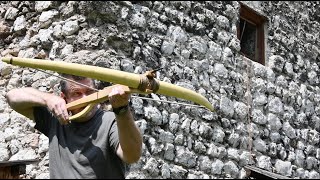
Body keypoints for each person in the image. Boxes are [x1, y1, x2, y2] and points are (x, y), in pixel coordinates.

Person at [5, 74, 143, 179]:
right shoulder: (56, 118)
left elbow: (132, 156)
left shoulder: (110, 120)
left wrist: (122, 110)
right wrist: (48, 99)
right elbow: (12, 97)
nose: (85, 98)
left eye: (89, 92)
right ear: (64, 97)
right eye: (77, 93)